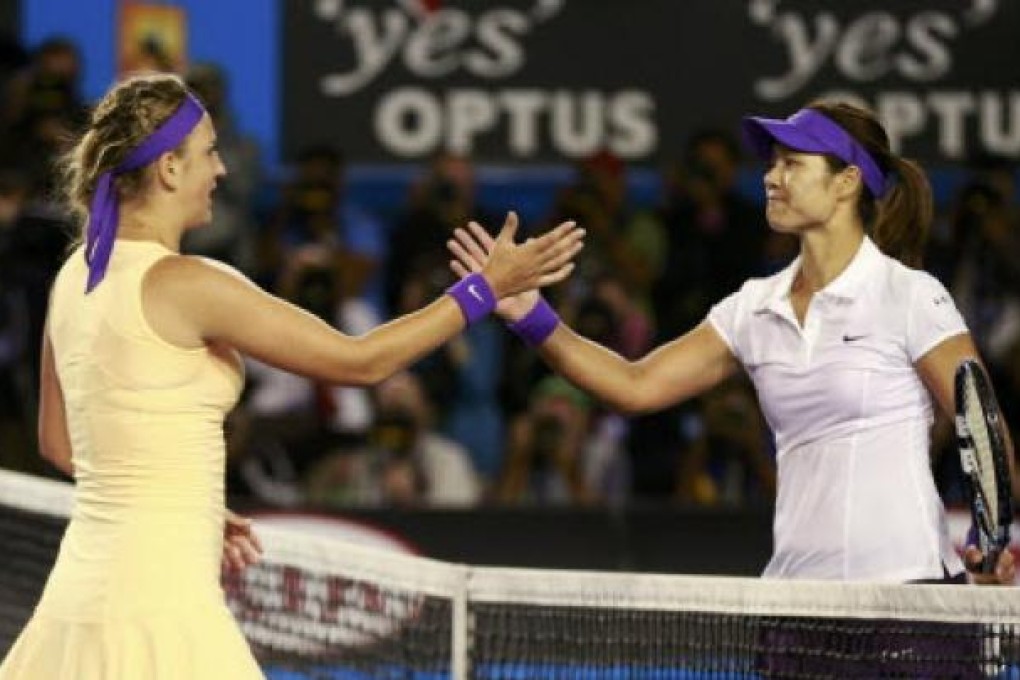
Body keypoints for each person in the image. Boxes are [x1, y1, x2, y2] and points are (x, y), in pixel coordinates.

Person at [0, 72, 582, 679]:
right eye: (209, 152)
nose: (221, 171)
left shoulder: (75, 276)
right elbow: (361, 361)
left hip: (78, 601)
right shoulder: (190, 283)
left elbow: (60, 443)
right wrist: (484, 289)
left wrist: (178, 500)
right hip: (158, 609)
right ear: (169, 168)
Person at [448, 100, 1015, 587]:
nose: (772, 177)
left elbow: (982, 425)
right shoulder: (753, 307)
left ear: (847, 182)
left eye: (793, 163)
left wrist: (994, 547)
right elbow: (634, 385)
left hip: (907, 595)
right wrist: (529, 314)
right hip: (795, 603)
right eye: (771, 164)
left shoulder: (910, 295)